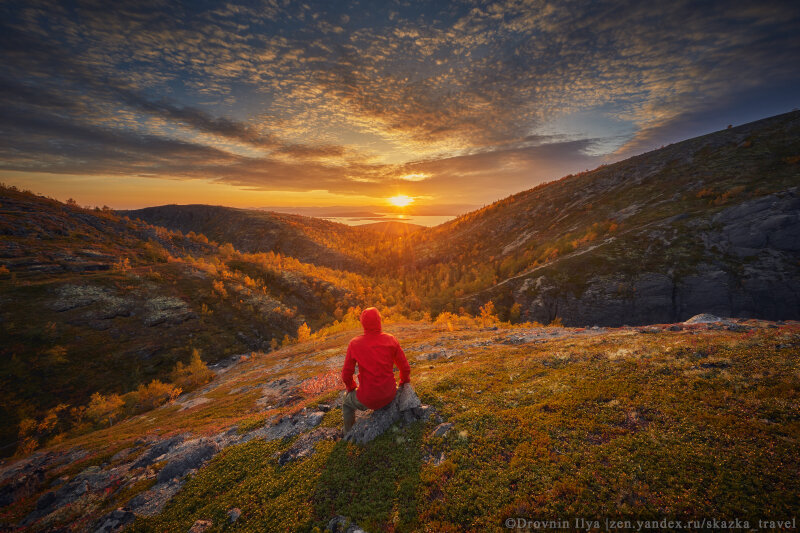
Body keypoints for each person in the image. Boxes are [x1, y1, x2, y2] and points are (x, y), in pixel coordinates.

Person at [341, 307, 410, 433]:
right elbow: (405, 368)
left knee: (346, 401)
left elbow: (346, 375)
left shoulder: (354, 344)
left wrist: (351, 388)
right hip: (390, 394)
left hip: (368, 399)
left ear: (363, 323)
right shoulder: (391, 339)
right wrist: (403, 382)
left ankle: (348, 433)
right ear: (379, 321)